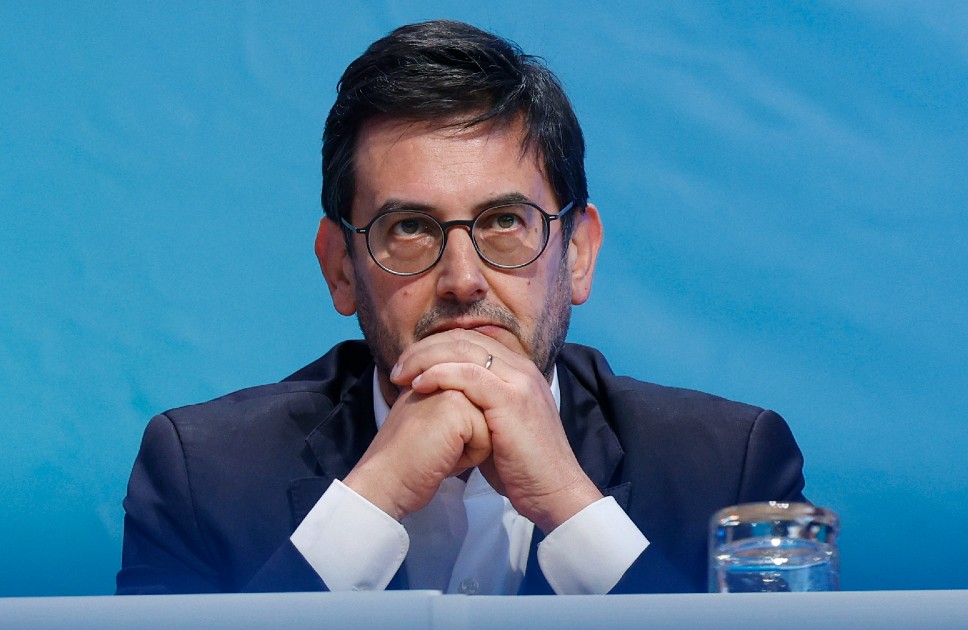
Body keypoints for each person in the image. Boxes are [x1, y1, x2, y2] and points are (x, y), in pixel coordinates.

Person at [116, 19, 806, 596]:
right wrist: (372, 499)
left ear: (577, 254)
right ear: (340, 268)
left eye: (504, 221)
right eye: (410, 228)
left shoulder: (729, 468)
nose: (462, 279)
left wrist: (572, 508)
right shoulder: (204, 473)